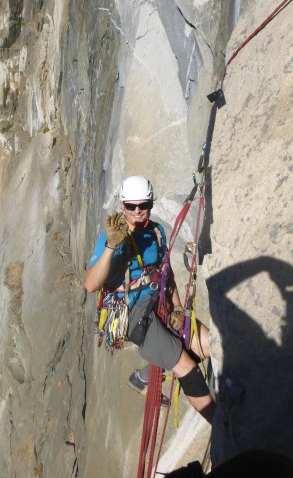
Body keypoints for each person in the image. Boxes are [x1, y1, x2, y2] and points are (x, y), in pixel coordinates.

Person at [84, 176, 215, 423]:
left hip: (157, 300)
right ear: (122, 206)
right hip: (132, 313)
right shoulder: (112, 238)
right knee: (188, 369)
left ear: (150, 204)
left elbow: (165, 273)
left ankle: (144, 376)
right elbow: (90, 284)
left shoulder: (156, 231)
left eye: (142, 205)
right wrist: (112, 246)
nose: (137, 211)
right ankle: (221, 427)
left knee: (208, 345)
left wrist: (177, 306)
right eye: (131, 206)